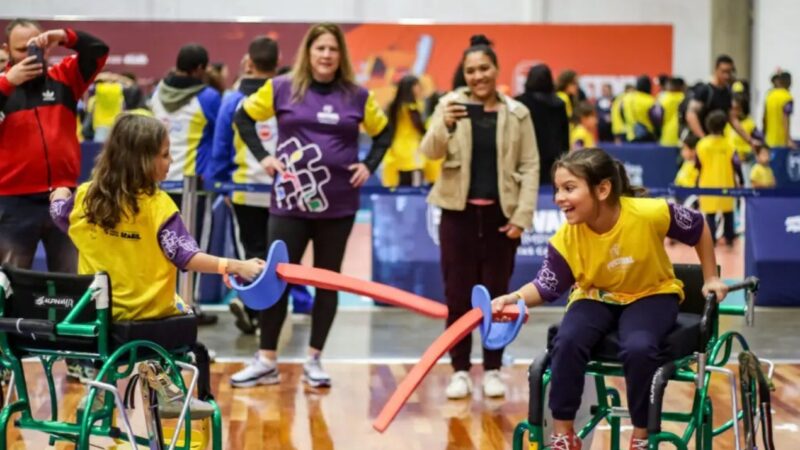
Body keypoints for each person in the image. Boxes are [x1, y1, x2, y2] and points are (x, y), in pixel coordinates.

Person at [490, 148, 727, 450]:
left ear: (602, 189)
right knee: (567, 341)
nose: (559, 198)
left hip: (650, 295)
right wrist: (515, 298)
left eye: (569, 188)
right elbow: (547, 284)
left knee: (639, 347)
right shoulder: (567, 237)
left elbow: (698, 226)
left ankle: (641, 434)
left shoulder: (648, 213)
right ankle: (564, 433)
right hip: (594, 297)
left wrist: (711, 277)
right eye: (558, 189)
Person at [48, 113, 264, 414]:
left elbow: (60, 214)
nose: (171, 161)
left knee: (140, 316)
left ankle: (102, 381)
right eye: (164, 155)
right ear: (141, 161)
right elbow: (187, 256)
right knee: (180, 308)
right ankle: (161, 378)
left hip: (97, 319)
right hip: (147, 320)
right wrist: (237, 266)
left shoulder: (86, 199)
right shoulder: (159, 206)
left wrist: (59, 194)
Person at [230, 23, 391, 388]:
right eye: (320, 48)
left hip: (338, 205)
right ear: (309, 52)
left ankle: (315, 359)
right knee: (276, 279)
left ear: (341, 56)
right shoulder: (280, 88)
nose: (326, 55)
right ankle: (266, 359)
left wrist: (370, 164)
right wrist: (264, 159)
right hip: (288, 203)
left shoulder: (358, 95)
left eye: (333, 49)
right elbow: (243, 117)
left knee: (327, 283)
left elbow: (384, 133)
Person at [421, 34, 539, 399]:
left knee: (498, 298)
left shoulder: (517, 113)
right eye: (470, 70)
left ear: (496, 69)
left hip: (501, 220)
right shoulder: (449, 106)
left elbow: (531, 164)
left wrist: (522, 215)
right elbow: (429, 151)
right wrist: (445, 122)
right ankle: (459, 370)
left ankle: (492, 368)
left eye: (484, 68)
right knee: (457, 296)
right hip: (457, 216)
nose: (477, 76)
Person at [0, 19, 108, 272]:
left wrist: (63, 36)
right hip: (14, 202)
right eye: (22, 50)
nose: (31, 56)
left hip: (63, 197)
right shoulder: (3, 86)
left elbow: (98, 49)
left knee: (71, 283)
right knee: (8, 286)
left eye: (36, 47)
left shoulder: (66, 77)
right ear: (7, 49)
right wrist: (8, 82)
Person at [209, 36, 281, 335]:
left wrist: (221, 184)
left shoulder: (232, 100)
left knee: (251, 253)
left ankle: (254, 308)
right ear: (277, 64)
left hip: (243, 189)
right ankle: (265, 316)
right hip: (282, 191)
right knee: (277, 256)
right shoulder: (285, 94)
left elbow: (221, 146)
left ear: (248, 62)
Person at [514, 64, 569, 185]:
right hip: (553, 159)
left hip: (526, 159)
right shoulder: (559, 104)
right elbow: (565, 135)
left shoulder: (519, 102)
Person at [684, 55, 756, 147]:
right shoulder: (704, 91)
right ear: (716, 70)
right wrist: (703, 138)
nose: (727, 75)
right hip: (700, 145)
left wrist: (750, 141)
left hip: (717, 143)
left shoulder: (727, 93)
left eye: (730, 72)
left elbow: (733, 119)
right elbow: (690, 115)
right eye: (724, 71)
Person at [696, 110, 740, 247]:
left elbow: (698, 165)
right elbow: (736, 164)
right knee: (728, 212)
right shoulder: (729, 144)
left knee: (710, 213)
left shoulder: (702, 144)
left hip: (707, 183)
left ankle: (712, 239)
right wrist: (741, 180)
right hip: (726, 183)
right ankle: (729, 238)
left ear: (708, 126)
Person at [381, 74, 427, 187]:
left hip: (395, 153)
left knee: (399, 189)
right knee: (414, 191)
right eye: (417, 85)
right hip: (411, 154)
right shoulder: (412, 108)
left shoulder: (392, 107)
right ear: (411, 87)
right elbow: (420, 128)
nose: (420, 88)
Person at [762, 71, 795, 149]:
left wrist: (763, 135)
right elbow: (785, 118)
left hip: (768, 141)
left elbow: (764, 117)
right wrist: (788, 140)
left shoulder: (769, 95)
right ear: (788, 82)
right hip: (781, 141)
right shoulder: (787, 97)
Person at [622, 75, 659, 142]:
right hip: (647, 135)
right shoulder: (650, 100)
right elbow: (656, 119)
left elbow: (621, 113)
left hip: (629, 135)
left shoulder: (626, 98)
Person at [658, 77, 686, 147]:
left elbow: (657, 118)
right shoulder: (685, 98)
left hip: (667, 136)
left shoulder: (662, 98)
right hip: (683, 136)